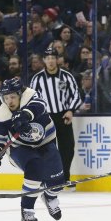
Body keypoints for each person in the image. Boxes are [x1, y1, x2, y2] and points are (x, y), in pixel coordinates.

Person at [0, 77, 64, 221]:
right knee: (35, 167)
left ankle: (50, 196)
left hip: (46, 143)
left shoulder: (32, 96)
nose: (10, 101)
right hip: (20, 148)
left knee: (57, 180)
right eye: (6, 98)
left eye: (13, 96)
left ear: (20, 94)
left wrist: (25, 116)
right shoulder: (2, 113)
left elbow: (39, 106)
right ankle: (27, 211)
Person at [30, 47, 81, 190]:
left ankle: (65, 178)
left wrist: (71, 110)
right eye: (48, 58)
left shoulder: (66, 76)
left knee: (67, 148)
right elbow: (32, 99)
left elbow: (76, 95)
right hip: (46, 118)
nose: (51, 61)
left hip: (63, 116)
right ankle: (48, 179)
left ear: (57, 60)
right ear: (44, 60)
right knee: (47, 150)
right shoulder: (37, 78)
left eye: (53, 58)